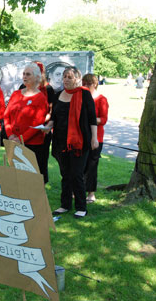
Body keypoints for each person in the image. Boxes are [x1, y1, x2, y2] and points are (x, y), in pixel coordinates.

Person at [41, 66, 98, 219]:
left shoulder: (84, 94)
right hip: (60, 142)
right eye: (64, 76)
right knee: (65, 174)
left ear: (77, 79)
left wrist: (94, 138)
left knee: (77, 174)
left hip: (79, 142)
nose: (66, 79)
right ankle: (65, 205)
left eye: (70, 77)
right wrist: (47, 127)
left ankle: (81, 207)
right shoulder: (58, 94)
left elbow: (92, 118)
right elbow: (54, 118)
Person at [4, 63, 49, 181]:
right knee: (16, 176)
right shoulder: (16, 94)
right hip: (13, 141)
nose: (24, 76)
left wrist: (21, 139)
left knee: (31, 178)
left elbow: (37, 124)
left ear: (37, 78)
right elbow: (6, 115)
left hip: (32, 144)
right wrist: (11, 135)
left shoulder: (40, 98)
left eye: (28, 74)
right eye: (23, 74)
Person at [82, 74, 108, 203]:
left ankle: (91, 193)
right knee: (80, 166)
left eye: (88, 84)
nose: (85, 86)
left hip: (96, 137)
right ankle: (78, 191)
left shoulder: (101, 99)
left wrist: (88, 119)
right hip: (82, 136)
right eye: (84, 83)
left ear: (95, 84)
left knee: (92, 165)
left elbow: (103, 119)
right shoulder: (81, 98)